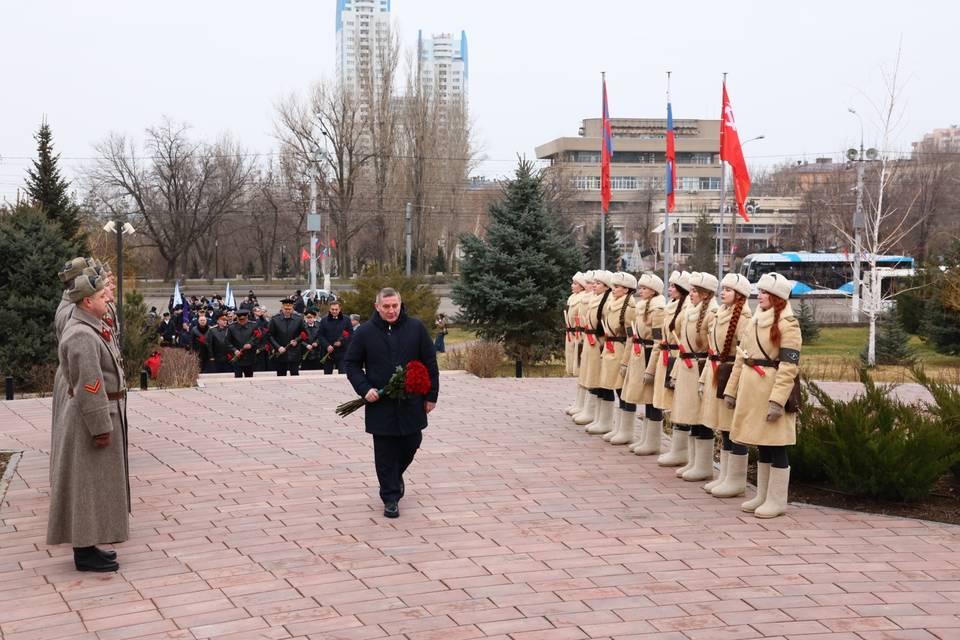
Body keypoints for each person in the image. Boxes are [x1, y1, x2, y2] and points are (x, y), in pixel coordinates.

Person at [48, 273, 129, 572]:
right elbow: (89, 385)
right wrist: (100, 427)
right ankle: (83, 552)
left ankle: (89, 545)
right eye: (100, 296)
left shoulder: (89, 326)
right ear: (86, 301)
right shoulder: (81, 334)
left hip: (94, 415)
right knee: (85, 486)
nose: (107, 298)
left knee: (92, 486)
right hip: (90, 419)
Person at [343, 288, 439, 519]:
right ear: (377, 307)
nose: (391, 310)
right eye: (386, 306)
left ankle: (394, 477)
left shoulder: (416, 328)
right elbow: (351, 364)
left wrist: (431, 396)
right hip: (380, 403)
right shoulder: (365, 332)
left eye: (394, 305)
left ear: (400, 303)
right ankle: (390, 497)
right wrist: (365, 390)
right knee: (385, 452)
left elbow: (430, 363)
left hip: (411, 401)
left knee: (412, 441)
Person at [726, 272, 802, 518]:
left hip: (770, 390)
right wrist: (731, 389)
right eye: (760, 291)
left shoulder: (788, 325)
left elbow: (790, 366)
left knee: (777, 445)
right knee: (762, 443)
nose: (761, 296)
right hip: (751, 389)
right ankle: (762, 495)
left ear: (778, 297)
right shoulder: (755, 320)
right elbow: (742, 355)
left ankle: (777, 500)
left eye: (766, 292)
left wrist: (777, 401)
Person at [700, 273, 753, 498]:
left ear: (739, 294)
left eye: (729, 290)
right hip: (718, 371)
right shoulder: (719, 314)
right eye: (722, 289)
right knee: (723, 426)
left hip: (731, 374)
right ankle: (725, 476)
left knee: (733, 428)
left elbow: (743, 354)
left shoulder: (744, 319)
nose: (723, 293)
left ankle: (736, 480)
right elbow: (711, 347)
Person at [668, 271, 719, 482]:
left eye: (696, 291)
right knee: (690, 415)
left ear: (706, 294)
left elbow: (711, 345)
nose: (691, 294)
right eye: (691, 290)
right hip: (687, 366)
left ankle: (704, 465)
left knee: (701, 417)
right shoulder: (692, 309)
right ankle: (693, 461)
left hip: (700, 367)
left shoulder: (712, 312)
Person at [621, 272, 665, 455]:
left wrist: (651, 368)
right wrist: (626, 361)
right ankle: (646, 438)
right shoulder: (641, 307)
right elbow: (633, 335)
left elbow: (657, 341)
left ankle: (653, 442)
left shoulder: (658, 309)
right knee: (645, 398)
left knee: (652, 399)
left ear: (654, 291)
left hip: (649, 354)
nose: (641, 291)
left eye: (644, 288)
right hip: (639, 353)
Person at [650, 271, 690, 467]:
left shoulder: (686, 309)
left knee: (679, 404)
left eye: (674, 286)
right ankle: (677, 448)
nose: (670, 289)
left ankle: (681, 451)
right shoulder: (672, 307)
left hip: (678, 358)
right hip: (668, 356)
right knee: (671, 403)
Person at [597, 272, 637, 445]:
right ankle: (619, 427)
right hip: (610, 348)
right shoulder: (612, 303)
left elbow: (630, 336)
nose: (614, 290)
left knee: (623, 391)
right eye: (613, 286)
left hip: (621, 350)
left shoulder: (629, 308)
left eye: (617, 287)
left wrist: (625, 361)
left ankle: (626, 430)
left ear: (626, 289)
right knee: (613, 386)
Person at [563, 272, 589, 416]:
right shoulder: (573, 298)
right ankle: (579, 401)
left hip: (579, 335)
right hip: (572, 335)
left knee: (581, 370)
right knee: (577, 370)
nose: (572, 286)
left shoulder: (581, 300)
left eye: (575, 283)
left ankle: (583, 403)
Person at [269, 298, 307, 376]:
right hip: (281, 352)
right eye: (286, 309)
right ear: (282, 308)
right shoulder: (275, 319)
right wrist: (278, 347)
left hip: (294, 353)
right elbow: (269, 336)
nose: (287, 311)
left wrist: (297, 340)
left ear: (292, 308)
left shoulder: (298, 319)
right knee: (281, 375)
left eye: (289, 309)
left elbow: (304, 333)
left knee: (295, 375)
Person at [319, 301, 352, 375]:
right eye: (332, 309)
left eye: (336, 309)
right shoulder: (324, 320)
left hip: (342, 353)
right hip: (328, 353)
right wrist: (327, 345)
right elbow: (320, 335)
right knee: (327, 376)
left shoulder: (346, 320)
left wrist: (342, 342)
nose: (334, 311)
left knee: (343, 375)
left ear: (340, 309)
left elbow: (351, 335)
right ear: (329, 309)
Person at [227, 308, 258, 377]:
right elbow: (227, 342)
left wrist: (251, 344)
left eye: (244, 320)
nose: (242, 322)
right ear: (237, 318)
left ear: (247, 318)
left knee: (249, 378)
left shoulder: (253, 326)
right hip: (237, 358)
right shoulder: (231, 327)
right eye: (240, 320)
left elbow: (258, 338)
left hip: (249, 357)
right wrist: (234, 350)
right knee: (238, 378)